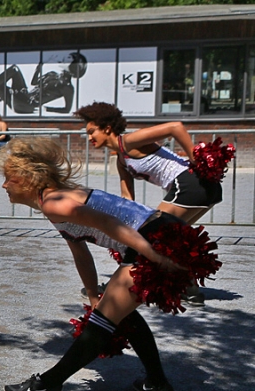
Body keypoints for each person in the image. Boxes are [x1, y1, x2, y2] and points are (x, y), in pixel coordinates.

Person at [0, 137, 203, 391]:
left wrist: (152, 253)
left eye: (9, 179)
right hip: (156, 236)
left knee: (102, 321)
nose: (4, 185)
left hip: (157, 239)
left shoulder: (54, 202)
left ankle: (47, 385)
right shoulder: (52, 202)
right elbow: (80, 253)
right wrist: (94, 294)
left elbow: (107, 222)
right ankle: (157, 383)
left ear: (28, 179)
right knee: (119, 313)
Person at [74, 101, 221, 306]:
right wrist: (118, 226)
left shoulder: (129, 141)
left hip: (190, 183)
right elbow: (127, 199)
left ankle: (116, 287)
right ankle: (191, 290)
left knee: (151, 232)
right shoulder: (121, 160)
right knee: (171, 237)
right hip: (201, 189)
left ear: (107, 128)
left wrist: (195, 159)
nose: (89, 138)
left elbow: (175, 127)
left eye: (92, 131)